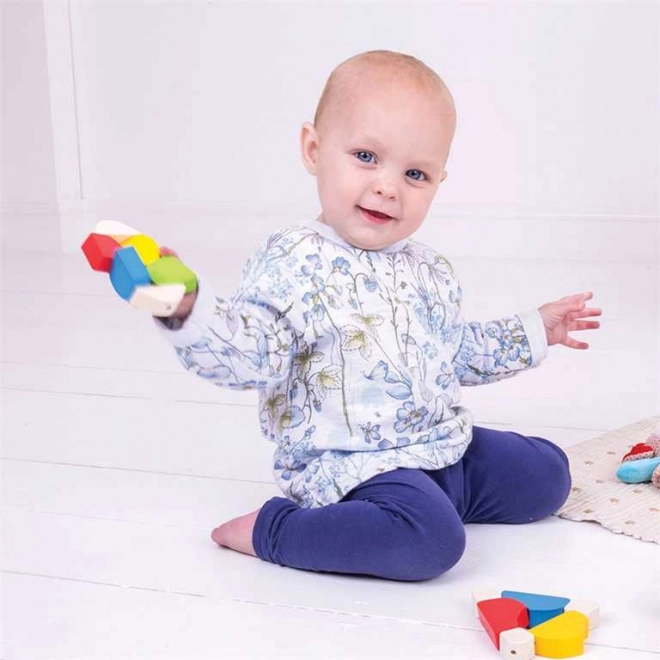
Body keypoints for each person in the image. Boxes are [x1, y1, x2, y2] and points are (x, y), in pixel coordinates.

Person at [155, 50, 601, 581]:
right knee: (431, 542)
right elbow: (251, 354)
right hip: (349, 463)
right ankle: (274, 530)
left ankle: (428, 500)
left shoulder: (428, 269)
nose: (389, 186)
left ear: (438, 182)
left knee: (549, 474)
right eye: (366, 157)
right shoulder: (294, 261)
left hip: (438, 446)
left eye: (415, 173)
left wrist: (535, 329)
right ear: (314, 150)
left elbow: (455, 351)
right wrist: (191, 310)